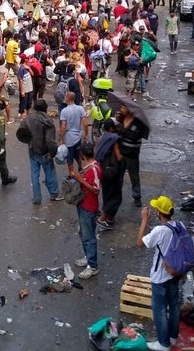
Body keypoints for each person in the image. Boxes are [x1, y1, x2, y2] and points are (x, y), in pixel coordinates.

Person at [137, 196, 184, 351]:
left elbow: (140, 243)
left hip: (160, 277)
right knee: (174, 305)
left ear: (158, 212)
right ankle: (173, 337)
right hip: (175, 272)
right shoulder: (179, 225)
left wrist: (144, 220)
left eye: (156, 209)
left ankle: (164, 343)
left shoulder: (160, 231)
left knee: (160, 310)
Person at [70, 142, 101, 279]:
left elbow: (96, 190)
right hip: (83, 204)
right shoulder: (88, 167)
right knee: (83, 233)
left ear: (83, 155)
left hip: (89, 207)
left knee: (89, 236)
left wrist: (80, 180)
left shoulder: (94, 169)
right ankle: (88, 257)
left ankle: (92, 266)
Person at [23, 99, 59, 204]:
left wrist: (29, 142)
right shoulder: (48, 120)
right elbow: (50, 141)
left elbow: (21, 132)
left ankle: (37, 198)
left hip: (33, 150)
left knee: (34, 175)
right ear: (45, 108)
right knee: (50, 173)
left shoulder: (29, 118)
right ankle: (54, 194)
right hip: (45, 152)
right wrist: (52, 153)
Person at [95, 119, 124, 230]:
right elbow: (118, 157)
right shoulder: (113, 139)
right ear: (112, 128)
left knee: (107, 193)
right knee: (116, 195)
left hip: (102, 170)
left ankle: (109, 219)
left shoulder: (101, 138)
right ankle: (103, 217)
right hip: (112, 171)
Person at [117, 105, 149, 206]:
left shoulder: (139, 122)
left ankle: (137, 196)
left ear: (129, 109)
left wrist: (124, 128)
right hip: (121, 153)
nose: (121, 109)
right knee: (119, 176)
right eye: (121, 107)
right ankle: (117, 196)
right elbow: (116, 132)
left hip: (132, 155)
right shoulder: (121, 118)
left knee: (134, 176)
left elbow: (133, 136)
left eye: (123, 107)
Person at [59, 92, 88, 172]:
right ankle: (80, 168)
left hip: (69, 138)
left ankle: (71, 173)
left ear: (67, 98)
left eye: (65, 97)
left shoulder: (64, 111)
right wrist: (86, 134)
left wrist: (61, 138)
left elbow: (63, 126)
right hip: (78, 136)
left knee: (70, 157)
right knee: (77, 154)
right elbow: (85, 123)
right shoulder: (80, 109)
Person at [17, 55, 33, 119]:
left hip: (30, 88)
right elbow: (20, 80)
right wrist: (22, 90)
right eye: (27, 58)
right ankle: (21, 115)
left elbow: (32, 74)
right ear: (24, 59)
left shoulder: (27, 67)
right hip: (24, 89)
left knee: (29, 103)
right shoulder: (21, 69)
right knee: (23, 103)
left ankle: (27, 114)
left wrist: (28, 68)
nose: (28, 59)